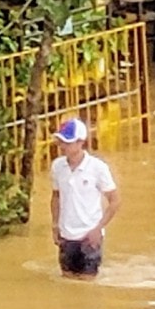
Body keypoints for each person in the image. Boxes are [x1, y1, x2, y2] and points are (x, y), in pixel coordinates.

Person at [50, 118, 120, 278]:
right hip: (66, 236)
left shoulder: (98, 168)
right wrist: (55, 225)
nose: (62, 147)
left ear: (80, 142)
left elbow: (115, 200)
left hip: (89, 237)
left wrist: (98, 229)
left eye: (67, 142)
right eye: (61, 142)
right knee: (67, 281)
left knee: (88, 284)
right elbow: (56, 196)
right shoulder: (57, 167)